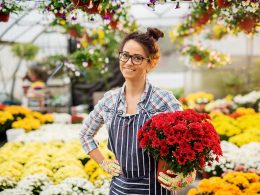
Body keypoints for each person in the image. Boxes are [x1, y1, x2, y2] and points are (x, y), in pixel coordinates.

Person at [79, 28, 193, 195]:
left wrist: (187, 175)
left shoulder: (164, 100)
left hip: (156, 189)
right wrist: (104, 163)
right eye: (125, 55)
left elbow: (190, 141)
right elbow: (85, 134)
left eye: (137, 58)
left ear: (150, 62)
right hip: (120, 189)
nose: (128, 62)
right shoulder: (109, 100)